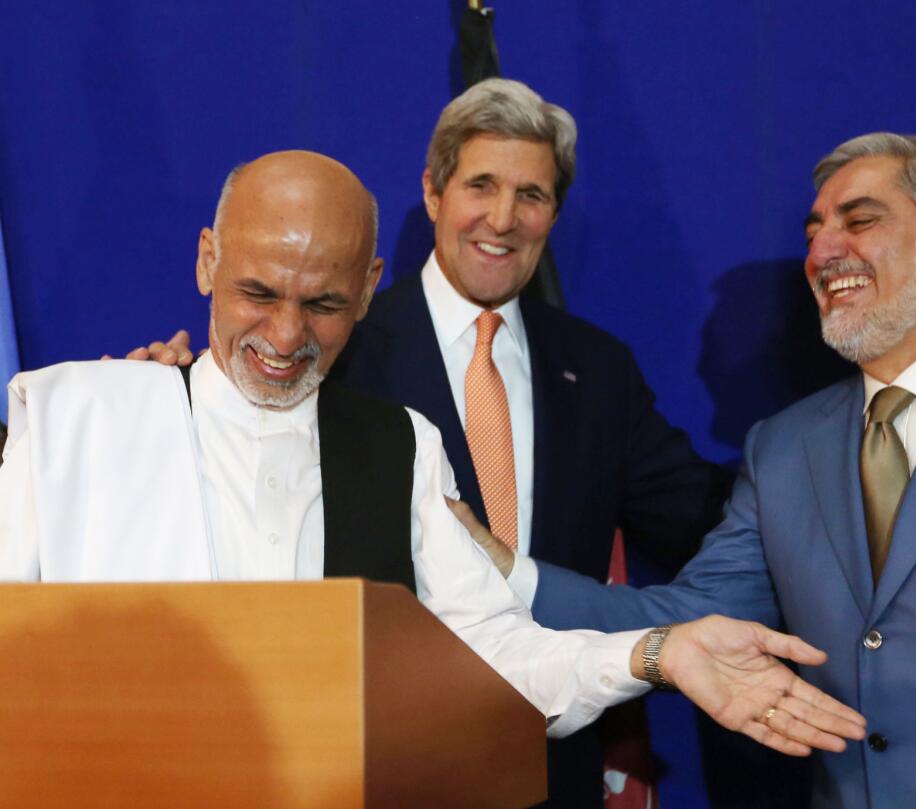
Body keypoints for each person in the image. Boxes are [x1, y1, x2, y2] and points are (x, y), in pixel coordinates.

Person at [0, 149, 868, 768]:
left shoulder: (401, 444)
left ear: (374, 284)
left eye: (327, 303)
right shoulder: (78, 421)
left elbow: (494, 656)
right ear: (206, 261)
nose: (286, 336)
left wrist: (655, 651)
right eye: (258, 292)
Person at [462, 133, 916, 808]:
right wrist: (503, 569)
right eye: (815, 230)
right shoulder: (783, 448)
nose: (823, 251)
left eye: (860, 219)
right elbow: (686, 621)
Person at [135, 78, 732, 806]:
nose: (503, 218)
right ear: (434, 191)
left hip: (542, 760)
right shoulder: (321, 343)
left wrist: (819, 490)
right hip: (332, 767)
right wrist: (147, 396)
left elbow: (701, 524)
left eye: (532, 195)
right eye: (482, 183)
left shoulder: (595, 369)